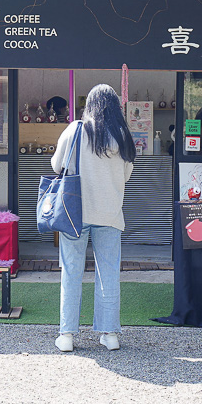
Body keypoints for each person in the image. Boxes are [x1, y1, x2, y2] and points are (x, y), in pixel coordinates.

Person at [51, 84, 135, 352]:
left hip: (75, 212)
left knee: (71, 270)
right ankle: (110, 335)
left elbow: (57, 165)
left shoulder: (75, 129)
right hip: (109, 212)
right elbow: (126, 175)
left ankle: (66, 335)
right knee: (108, 272)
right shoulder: (122, 135)